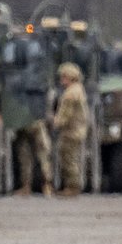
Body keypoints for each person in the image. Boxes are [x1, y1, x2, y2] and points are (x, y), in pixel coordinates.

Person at [52, 62, 89, 196]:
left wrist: (55, 123)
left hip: (71, 132)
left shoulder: (70, 94)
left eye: (64, 77)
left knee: (68, 158)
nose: (62, 80)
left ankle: (72, 186)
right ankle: (72, 186)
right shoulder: (79, 89)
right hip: (77, 131)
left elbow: (65, 115)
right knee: (71, 157)